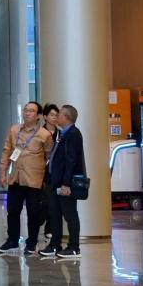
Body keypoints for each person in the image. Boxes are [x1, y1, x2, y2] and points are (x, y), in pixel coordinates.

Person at [0, 101, 53, 255]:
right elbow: (7, 152)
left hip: (34, 180)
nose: (27, 113)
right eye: (26, 110)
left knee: (33, 213)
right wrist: (2, 173)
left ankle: (32, 243)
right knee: (13, 210)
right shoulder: (14, 130)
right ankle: (12, 241)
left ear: (38, 116)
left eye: (31, 111)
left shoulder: (44, 135)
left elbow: (49, 155)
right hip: (16, 178)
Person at [41, 105, 86, 259]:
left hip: (64, 183)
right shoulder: (63, 133)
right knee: (54, 214)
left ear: (66, 117)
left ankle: (74, 247)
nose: (56, 117)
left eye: (59, 114)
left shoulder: (73, 134)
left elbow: (71, 160)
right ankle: (55, 244)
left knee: (70, 214)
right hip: (55, 182)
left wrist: (66, 183)